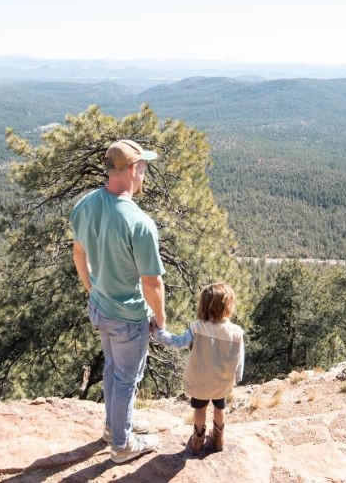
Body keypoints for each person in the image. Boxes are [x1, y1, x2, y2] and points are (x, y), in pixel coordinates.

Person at [70, 139, 166, 464]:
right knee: (127, 378)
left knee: (113, 369)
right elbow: (152, 282)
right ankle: (122, 446)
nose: (144, 173)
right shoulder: (139, 223)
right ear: (132, 170)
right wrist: (160, 319)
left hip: (100, 307)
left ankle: (114, 428)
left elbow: (78, 251)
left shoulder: (85, 205)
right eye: (143, 167)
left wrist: (91, 289)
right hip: (127, 317)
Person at [152, 282, 244, 453]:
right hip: (222, 381)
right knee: (219, 408)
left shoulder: (197, 327)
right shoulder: (236, 332)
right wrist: (237, 378)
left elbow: (177, 342)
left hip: (200, 381)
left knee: (200, 410)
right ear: (228, 305)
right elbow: (239, 359)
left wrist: (157, 333)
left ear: (203, 305)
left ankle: (197, 440)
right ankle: (218, 439)